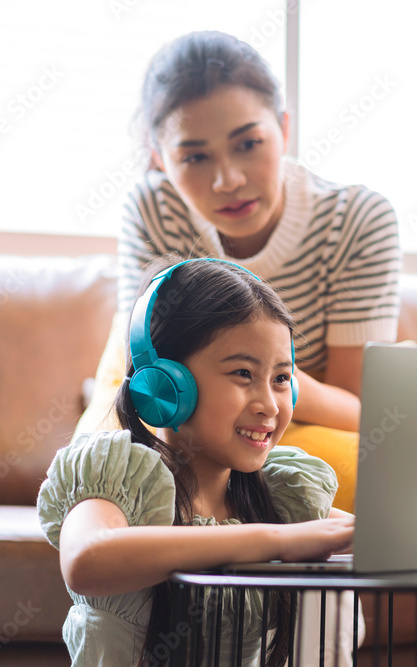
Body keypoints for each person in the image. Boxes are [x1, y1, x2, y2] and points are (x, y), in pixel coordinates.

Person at [76, 30, 401, 453]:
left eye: (248, 144)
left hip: (299, 418)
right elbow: (152, 381)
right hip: (184, 412)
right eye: (195, 157)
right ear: (160, 159)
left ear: (284, 128)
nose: (228, 180)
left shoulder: (357, 219)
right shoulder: (154, 209)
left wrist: (264, 382)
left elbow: (355, 409)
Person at [38, 258, 355, 667]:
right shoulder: (118, 480)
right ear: (166, 386)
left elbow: (372, 537)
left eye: (280, 379)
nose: (269, 405)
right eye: (243, 373)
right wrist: (276, 540)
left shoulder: (279, 496)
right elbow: (86, 560)